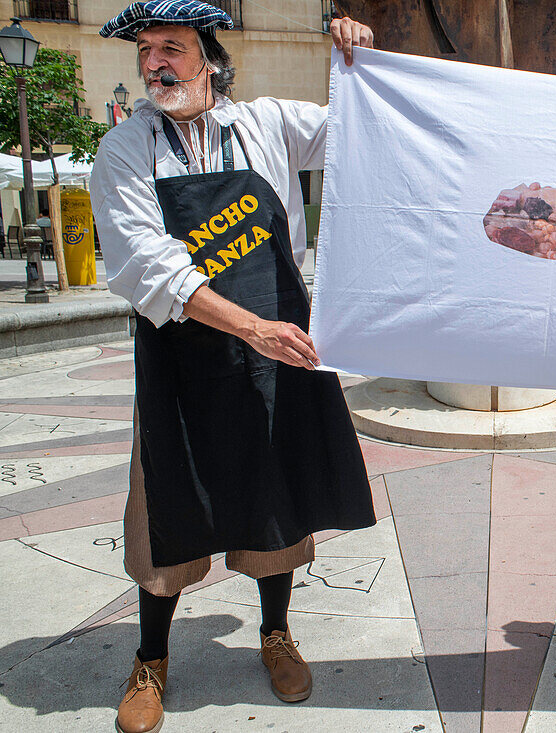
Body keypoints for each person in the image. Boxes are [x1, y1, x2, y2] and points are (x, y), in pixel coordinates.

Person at [90, 3, 377, 732]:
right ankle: (152, 657)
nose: (157, 63)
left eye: (173, 48)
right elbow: (148, 267)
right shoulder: (125, 150)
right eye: (147, 51)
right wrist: (251, 327)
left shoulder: (268, 124)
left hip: (275, 345)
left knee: (274, 492)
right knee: (166, 504)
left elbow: (368, 131)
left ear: (210, 60)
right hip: (184, 353)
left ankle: (275, 633)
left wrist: (362, 63)